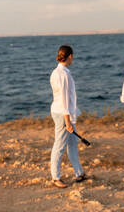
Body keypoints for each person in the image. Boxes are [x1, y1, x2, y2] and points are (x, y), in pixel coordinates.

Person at [49, 45, 89, 188]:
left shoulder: (58, 72)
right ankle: (55, 177)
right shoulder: (63, 74)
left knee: (73, 143)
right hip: (62, 114)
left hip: (62, 112)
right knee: (59, 145)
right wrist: (67, 121)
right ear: (70, 56)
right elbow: (64, 99)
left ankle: (79, 173)